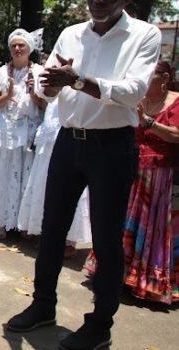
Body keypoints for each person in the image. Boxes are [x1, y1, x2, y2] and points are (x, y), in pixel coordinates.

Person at [6, 0, 161, 350]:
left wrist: (74, 81)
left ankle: (100, 324)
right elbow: (53, 90)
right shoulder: (71, 34)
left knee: (106, 240)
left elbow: (132, 92)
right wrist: (48, 86)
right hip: (69, 141)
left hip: (112, 146)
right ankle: (43, 305)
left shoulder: (144, 35)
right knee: (51, 229)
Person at [85, 61, 179, 304]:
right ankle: (114, 274)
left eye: (151, 76)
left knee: (150, 228)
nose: (144, 81)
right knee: (119, 223)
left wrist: (147, 121)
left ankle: (146, 280)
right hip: (129, 166)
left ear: (165, 78)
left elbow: (176, 135)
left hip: (157, 174)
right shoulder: (136, 98)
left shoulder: (176, 101)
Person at [0, 29, 46, 239]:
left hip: (27, 130)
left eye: (21, 45)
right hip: (1, 130)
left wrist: (33, 93)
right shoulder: (0, 73)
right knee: (1, 172)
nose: (17, 49)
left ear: (29, 49)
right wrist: (8, 95)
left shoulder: (40, 73)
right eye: (14, 45)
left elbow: (45, 107)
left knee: (25, 174)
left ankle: (23, 224)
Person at [17, 98, 92, 253]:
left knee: (68, 189)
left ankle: (69, 241)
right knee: (44, 185)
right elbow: (47, 100)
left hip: (70, 130)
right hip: (49, 133)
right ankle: (43, 233)